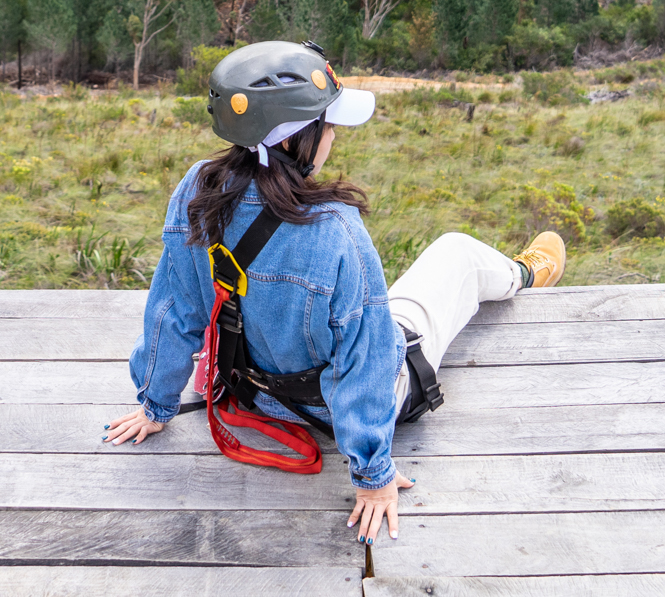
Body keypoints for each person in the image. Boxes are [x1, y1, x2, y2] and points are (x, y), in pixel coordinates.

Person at [105, 40, 566, 544]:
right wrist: (372, 476)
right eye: (327, 123)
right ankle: (523, 273)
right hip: (341, 408)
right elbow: (365, 358)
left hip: (257, 395)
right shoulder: (336, 231)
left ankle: (518, 273)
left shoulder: (197, 189)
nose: (332, 134)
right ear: (292, 140)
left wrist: (155, 405)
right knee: (454, 255)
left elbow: (174, 309)